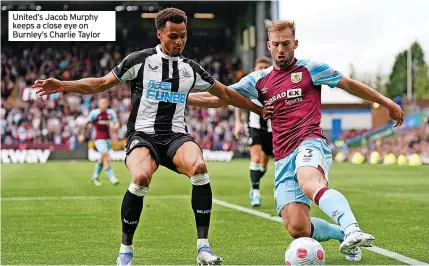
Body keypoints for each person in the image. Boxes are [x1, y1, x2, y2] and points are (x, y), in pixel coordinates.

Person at [32, 7, 266, 266]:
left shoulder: (191, 69)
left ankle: (203, 248)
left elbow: (225, 94)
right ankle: (126, 251)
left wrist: (258, 109)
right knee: (141, 177)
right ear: (159, 34)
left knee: (199, 167)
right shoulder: (139, 61)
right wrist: (62, 86)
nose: (179, 42)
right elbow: (100, 84)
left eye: (183, 36)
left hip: (176, 136)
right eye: (173, 36)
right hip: (142, 135)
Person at [187, 20, 404, 261]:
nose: (281, 49)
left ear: (295, 44)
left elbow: (349, 85)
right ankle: (342, 234)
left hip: (310, 142)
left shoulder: (311, 69)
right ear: (269, 46)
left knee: (308, 181)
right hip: (283, 155)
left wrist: (387, 103)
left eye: (286, 44)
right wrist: (180, 96)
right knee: (297, 227)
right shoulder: (258, 80)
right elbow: (221, 97)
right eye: (276, 44)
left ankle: (353, 228)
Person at [233, 56, 272, 207]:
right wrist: (238, 122)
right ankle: (256, 193)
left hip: (271, 128)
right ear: (255, 69)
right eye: (260, 67)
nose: (262, 70)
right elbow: (236, 100)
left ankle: (254, 182)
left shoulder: (277, 83)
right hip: (254, 126)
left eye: (265, 67)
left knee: (263, 165)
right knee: (255, 159)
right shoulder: (249, 83)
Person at [83, 97, 120, 186]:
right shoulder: (94, 113)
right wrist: (83, 134)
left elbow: (117, 123)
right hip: (98, 139)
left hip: (108, 139)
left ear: (107, 103)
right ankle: (112, 177)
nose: (102, 104)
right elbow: (86, 123)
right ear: (98, 104)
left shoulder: (111, 113)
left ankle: (95, 176)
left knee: (102, 158)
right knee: (105, 156)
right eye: (101, 103)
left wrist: (116, 127)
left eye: (104, 102)